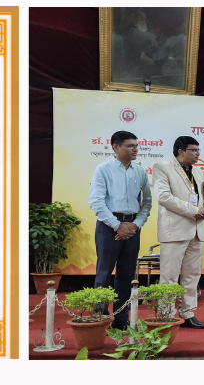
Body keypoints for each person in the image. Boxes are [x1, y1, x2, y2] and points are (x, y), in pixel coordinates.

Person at [87, 130, 152, 330]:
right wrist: (117, 226)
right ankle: (100, 317)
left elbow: (147, 203)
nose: (135, 149)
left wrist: (136, 224)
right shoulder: (103, 169)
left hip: (132, 228)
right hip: (108, 227)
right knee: (104, 273)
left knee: (126, 275)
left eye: (136, 145)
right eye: (130, 145)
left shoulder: (140, 172)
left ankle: (121, 319)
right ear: (115, 147)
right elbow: (96, 202)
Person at [151, 136, 204, 329]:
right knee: (169, 277)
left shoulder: (198, 172)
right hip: (174, 231)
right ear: (180, 151)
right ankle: (166, 315)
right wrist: (194, 211)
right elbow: (163, 197)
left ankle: (188, 313)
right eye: (194, 150)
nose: (198, 153)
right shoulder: (163, 168)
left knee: (192, 275)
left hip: (196, 231)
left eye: (198, 150)